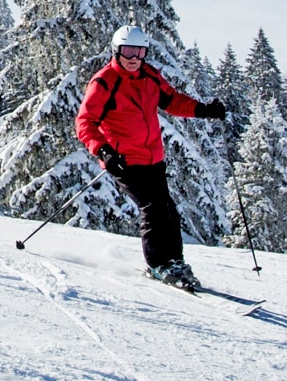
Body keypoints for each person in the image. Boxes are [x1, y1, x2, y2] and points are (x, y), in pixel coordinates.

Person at [75, 25, 229, 291]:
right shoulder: (104, 81)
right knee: (153, 208)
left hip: (153, 158)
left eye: (140, 51)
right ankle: (158, 264)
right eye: (128, 51)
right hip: (123, 160)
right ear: (117, 50)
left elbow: (172, 101)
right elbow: (85, 123)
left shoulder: (149, 76)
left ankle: (175, 261)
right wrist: (104, 151)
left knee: (168, 209)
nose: (134, 57)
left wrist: (203, 110)